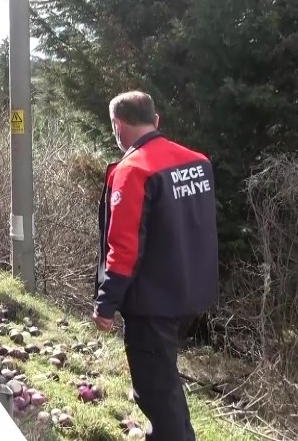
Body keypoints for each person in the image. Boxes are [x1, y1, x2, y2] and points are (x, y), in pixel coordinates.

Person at [93, 91, 218, 441]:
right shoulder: (197, 162)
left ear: (118, 126)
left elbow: (124, 247)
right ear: (156, 120)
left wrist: (106, 302)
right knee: (165, 381)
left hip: (153, 301)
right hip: (190, 290)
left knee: (156, 391)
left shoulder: (134, 170)